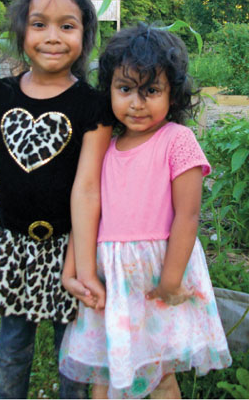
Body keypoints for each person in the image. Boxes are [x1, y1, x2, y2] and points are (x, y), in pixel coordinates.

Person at [0, 0, 111, 400]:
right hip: (11, 246)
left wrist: (82, 262)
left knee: (74, 354)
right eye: (39, 23)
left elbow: (89, 188)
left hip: (70, 250)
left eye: (68, 25)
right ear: (22, 29)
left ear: (84, 35)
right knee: (12, 349)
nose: (52, 36)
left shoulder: (92, 106)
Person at [60, 23, 230, 399]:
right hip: (113, 282)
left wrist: (170, 280)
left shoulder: (178, 141)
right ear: (109, 91)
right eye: (125, 89)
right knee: (106, 373)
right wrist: (72, 268)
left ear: (174, 94)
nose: (136, 103)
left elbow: (187, 216)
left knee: (160, 374)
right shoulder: (104, 145)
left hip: (157, 278)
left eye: (150, 91)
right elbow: (89, 213)